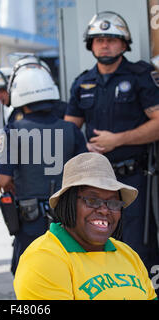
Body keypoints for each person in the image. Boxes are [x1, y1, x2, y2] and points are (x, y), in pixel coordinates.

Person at [64, 11, 159, 281]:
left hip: (135, 179)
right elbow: (69, 129)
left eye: (111, 39)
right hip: (94, 182)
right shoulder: (82, 82)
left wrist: (118, 139)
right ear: (90, 45)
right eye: (98, 40)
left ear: (124, 44)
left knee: (137, 247)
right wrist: (84, 146)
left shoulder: (141, 75)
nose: (104, 44)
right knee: (94, 244)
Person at [14, 152, 157, 300]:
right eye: (92, 200)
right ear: (67, 203)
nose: (104, 210)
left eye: (113, 203)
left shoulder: (128, 254)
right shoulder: (43, 259)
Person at [0, 53, 87, 275]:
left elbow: (2, 178)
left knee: (32, 271)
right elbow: (85, 173)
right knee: (69, 270)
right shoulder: (71, 130)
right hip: (68, 215)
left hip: (31, 219)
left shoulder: (14, 131)